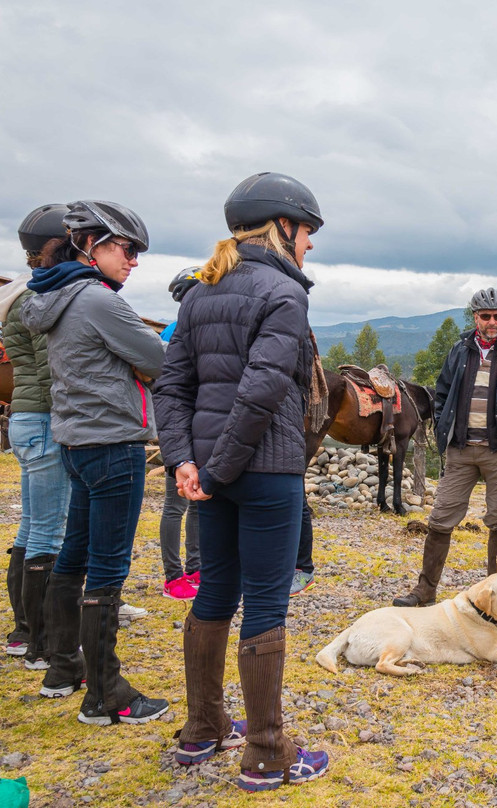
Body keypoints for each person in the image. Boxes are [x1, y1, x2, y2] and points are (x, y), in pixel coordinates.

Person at [155, 171, 329, 791]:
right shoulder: (284, 294)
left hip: (211, 474)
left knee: (214, 592)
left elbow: (171, 387)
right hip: (263, 472)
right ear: (283, 226)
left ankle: (202, 729)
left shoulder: (199, 294)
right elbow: (260, 392)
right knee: (264, 602)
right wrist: (219, 466)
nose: (309, 245)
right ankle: (266, 752)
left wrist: (186, 462)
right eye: (307, 232)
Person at [21, 200, 169, 724]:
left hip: (78, 444)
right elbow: (158, 361)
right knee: (108, 570)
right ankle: (107, 695)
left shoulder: (57, 295)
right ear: (92, 245)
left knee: (73, 558)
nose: (134, 261)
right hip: (114, 447)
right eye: (127, 249)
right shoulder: (99, 301)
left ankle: (62, 667)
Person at [392, 287, 497, 607]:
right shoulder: (459, 351)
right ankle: (426, 589)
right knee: (440, 519)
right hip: (460, 451)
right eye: (485, 316)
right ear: (475, 316)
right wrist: (445, 432)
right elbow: (443, 394)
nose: (492, 322)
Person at [1, 204, 71, 668]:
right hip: (46, 418)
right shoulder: (42, 299)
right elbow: (58, 365)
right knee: (49, 529)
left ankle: (24, 628)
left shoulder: (21, 295)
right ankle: (37, 638)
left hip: (26, 418)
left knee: (31, 525)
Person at [158, 268, 203, 601]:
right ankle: (173, 575)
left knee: (197, 502)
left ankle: (195, 568)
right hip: (182, 427)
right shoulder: (173, 333)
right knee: (175, 505)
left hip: (202, 425)